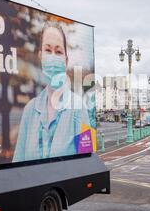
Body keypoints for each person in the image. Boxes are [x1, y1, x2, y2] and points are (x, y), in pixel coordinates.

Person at [13, 22, 92, 161]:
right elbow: (17, 164)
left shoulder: (79, 108)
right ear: (40, 56)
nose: (53, 56)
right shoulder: (29, 110)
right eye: (48, 50)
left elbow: (87, 162)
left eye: (59, 51)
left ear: (66, 61)